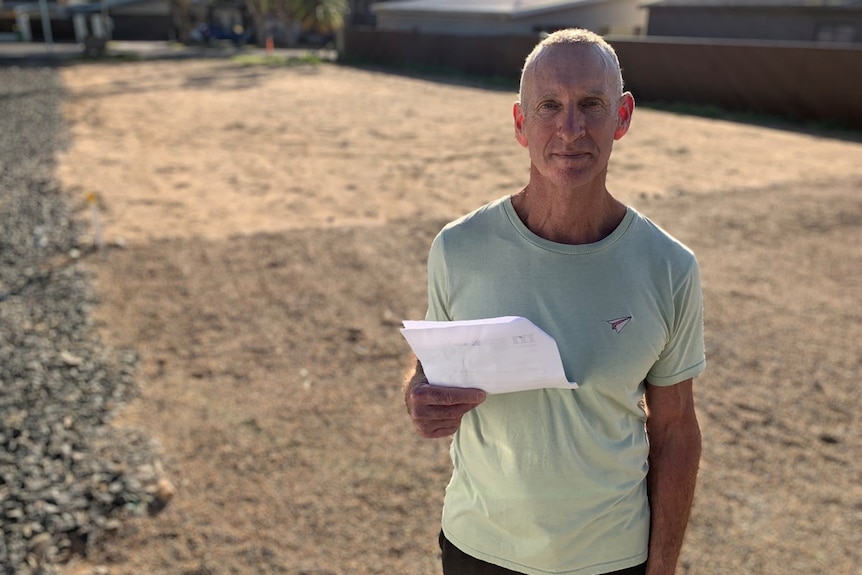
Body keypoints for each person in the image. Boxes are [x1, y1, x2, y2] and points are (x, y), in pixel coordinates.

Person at [403, 28, 705, 575]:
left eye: (591, 104)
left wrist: (661, 568)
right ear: (521, 123)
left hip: (612, 557)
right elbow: (429, 369)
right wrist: (419, 398)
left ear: (623, 116)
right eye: (549, 106)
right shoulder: (458, 248)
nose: (570, 128)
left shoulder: (669, 267)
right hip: (480, 548)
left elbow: (676, 430)